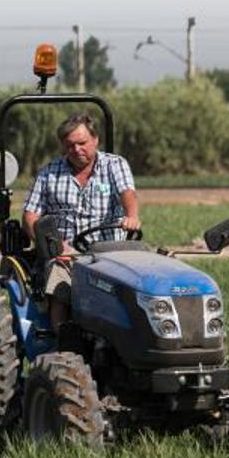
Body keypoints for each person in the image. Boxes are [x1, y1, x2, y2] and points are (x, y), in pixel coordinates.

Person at [21, 112, 141, 327]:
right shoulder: (48, 173)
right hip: (66, 252)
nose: (76, 150)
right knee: (60, 279)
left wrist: (131, 216)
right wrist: (52, 245)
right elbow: (30, 216)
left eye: (81, 143)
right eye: (69, 146)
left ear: (95, 140)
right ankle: (61, 339)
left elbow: (128, 194)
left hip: (108, 249)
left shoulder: (114, 165)